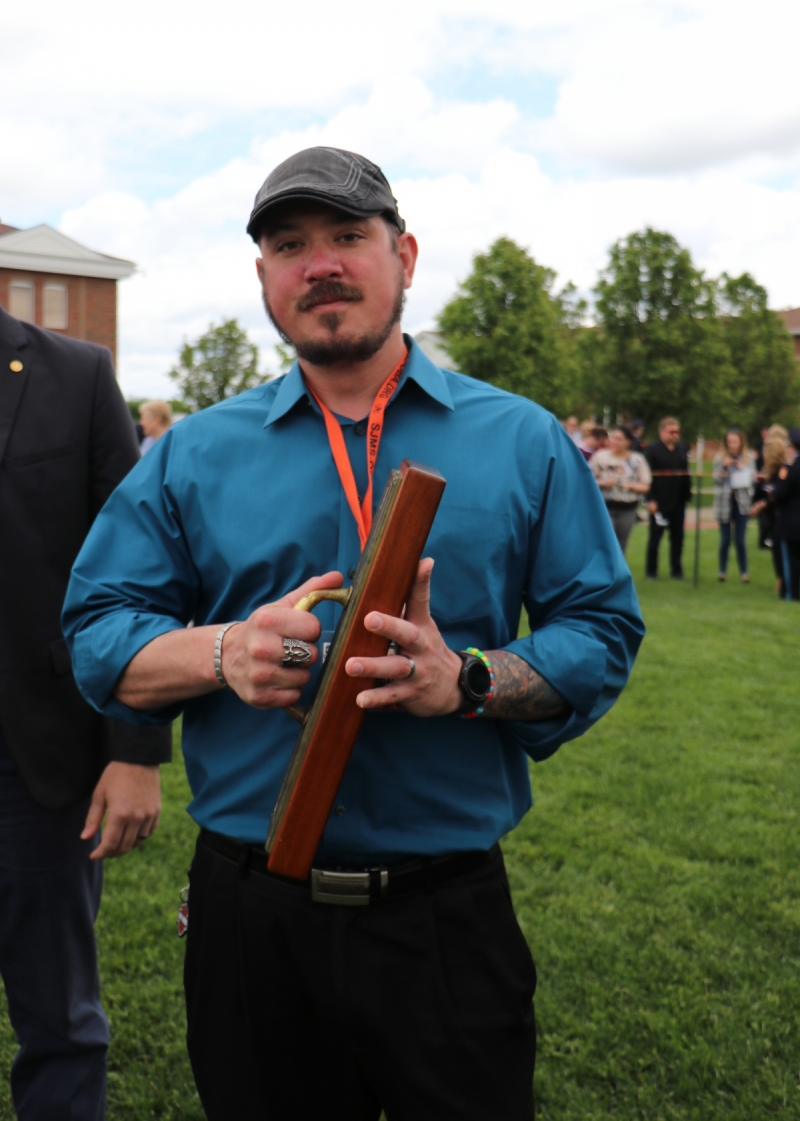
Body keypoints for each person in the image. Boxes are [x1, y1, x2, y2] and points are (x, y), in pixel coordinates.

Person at [63, 146, 644, 1121]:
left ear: (403, 256)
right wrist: (222, 652)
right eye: (290, 245)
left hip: (444, 920)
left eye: (346, 236)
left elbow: (601, 630)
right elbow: (94, 633)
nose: (320, 264)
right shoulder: (193, 454)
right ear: (263, 276)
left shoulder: (522, 441)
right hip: (252, 920)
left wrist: (467, 680)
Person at [0, 305, 171, 1120]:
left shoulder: (77, 373)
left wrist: (135, 751)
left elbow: (139, 574)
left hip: (32, 759)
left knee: (59, 1017)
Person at [589, 426, 651, 552]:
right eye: (613, 438)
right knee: (606, 543)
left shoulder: (637, 460)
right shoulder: (600, 457)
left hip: (628, 509)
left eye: (619, 439)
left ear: (628, 442)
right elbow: (587, 480)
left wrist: (630, 486)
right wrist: (602, 483)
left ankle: (619, 565)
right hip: (605, 507)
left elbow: (645, 485)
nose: (615, 442)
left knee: (621, 545)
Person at [644, 416, 692, 579]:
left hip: (678, 501)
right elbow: (646, 476)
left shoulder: (682, 448)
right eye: (671, 432)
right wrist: (650, 499)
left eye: (677, 432)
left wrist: (687, 494)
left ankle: (676, 570)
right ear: (662, 432)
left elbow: (685, 472)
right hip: (659, 501)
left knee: (678, 538)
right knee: (655, 538)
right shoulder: (652, 450)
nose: (675, 435)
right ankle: (651, 571)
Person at [712, 428, 755, 583]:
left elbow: (753, 479)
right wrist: (723, 467)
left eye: (735, 442)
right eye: (729, 442)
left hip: (742, 503)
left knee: (740, 540)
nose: (732, 445)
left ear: (741, 442)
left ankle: (744, 572)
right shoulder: (719, 458)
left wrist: (744, 469)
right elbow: (716, 480)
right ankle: (722, 571)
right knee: (725, 540)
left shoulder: (748, 458)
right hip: (724, 503)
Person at [751, 427, 788, 590]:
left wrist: (762, 504)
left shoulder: (783, 472)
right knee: (776, 548)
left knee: (782, 549)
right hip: (772, 517)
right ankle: (782, 577)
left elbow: (778, 494)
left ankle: (784, 579)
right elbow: (761, 492)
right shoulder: (769, 472)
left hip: (782, 517)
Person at [766, 428, 800, 601]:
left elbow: (779, 493)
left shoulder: (789, 468)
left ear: (792, 447)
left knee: (789, 560)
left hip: (789, 521)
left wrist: (771, 494)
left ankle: (790, 593)